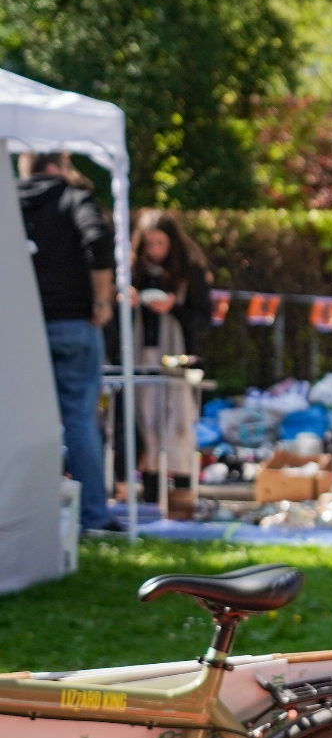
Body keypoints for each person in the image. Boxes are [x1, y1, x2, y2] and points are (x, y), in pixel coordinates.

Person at [18, 152, 116, 531]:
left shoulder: (11, 201)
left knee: (21, 424)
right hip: (73, 322)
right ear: (58, 165)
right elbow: (99, 239)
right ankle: (93, 515)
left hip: (23, 327)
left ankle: (25, 514)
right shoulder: (73, 196)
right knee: (79, 421)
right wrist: (102, 300)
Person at [128, 209, 213, 494]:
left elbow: (202, 319)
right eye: (149, 244)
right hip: (143, 356)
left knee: (179, 421)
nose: (154, 250)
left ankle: (182, 493)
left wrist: (174, 307)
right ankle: (151, 491)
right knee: (147, 421)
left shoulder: (189, 272)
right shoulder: (135, 272)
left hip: (179, 358)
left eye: (160, 243)